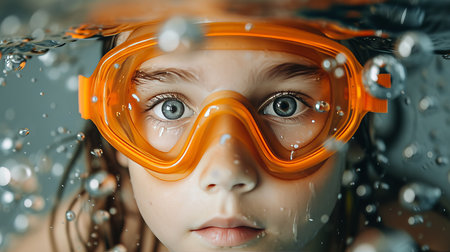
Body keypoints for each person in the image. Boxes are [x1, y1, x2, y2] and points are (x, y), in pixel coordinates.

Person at [7, 4, 396, 252]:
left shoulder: (408, 241)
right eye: (171, 108)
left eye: (285, 105)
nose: (226, 172)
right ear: (117, 133)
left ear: (353, 123)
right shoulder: (78, 243)